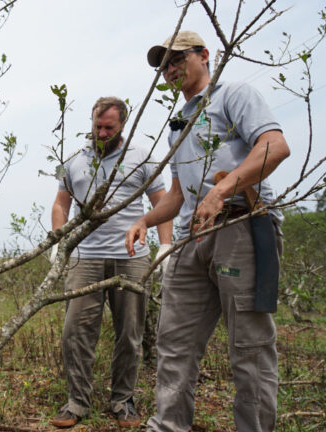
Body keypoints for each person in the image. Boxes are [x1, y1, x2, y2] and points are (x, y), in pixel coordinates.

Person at [126, 31, 290, 432]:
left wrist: (221, 190)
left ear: (204, 55)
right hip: (191, 235)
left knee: (249, 347)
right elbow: (179, 195)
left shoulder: (233, 95)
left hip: (241, 223)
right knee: (174, 341)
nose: (170, 69)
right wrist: (145, 220)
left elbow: (275, 145)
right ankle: (167, 425)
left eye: (178, 58)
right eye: (164, 64)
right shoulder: (178, 124)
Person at [51, 96, 173, 428]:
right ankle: (77, 401)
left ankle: (123, 400)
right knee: (75, 332)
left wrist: (165, 245)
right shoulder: (75, 160)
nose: (102, 133)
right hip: (84, 257)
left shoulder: (142, 158)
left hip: (131, 258)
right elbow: (61, 204)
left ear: (123, 125)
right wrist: (59, 238)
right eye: (97, 126)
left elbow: (161, 202)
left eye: (109, 127)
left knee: (129, 333)